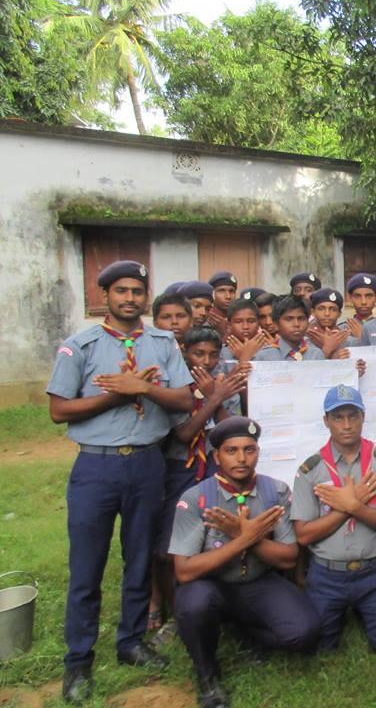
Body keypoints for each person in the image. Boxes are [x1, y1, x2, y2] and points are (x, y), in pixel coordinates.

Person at [47, 260, 194, 703]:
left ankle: (130, 642)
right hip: (97, 467)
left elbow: (183, 400)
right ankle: (78, 660)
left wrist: (144, 389)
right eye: (121, 291)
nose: (130, 298)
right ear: (105, 296)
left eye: (137, 291)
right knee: (87, 566)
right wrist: (117, 394)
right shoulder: (81, 346)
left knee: (139, 557)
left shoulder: (162, 344)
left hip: (147, 464)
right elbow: (59, 410)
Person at [170, 416, 322, 708]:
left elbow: (289, 557)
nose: (241, 458)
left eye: (249, 450)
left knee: (305, 633)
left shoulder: (275, 492)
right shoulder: (197, 498)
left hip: (258, 582)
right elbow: (185, 571)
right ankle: (207, 676)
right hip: (211, 585)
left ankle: (244, 632)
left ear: (257, 453)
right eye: (231, 451)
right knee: (194, 604)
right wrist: (242, 539)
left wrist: (247, 537)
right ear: (217, 457)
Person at [291, 385, 376, 656]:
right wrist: (349, 507)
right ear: (326, 421)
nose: (346, 425)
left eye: (353, 416)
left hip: (374, 572)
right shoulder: (310, 470)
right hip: (326, 575)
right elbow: (304, 535)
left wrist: (353, 504)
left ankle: (366, 610)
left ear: (363, 417)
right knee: (320, 650)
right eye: (338, 417)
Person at [150, 327, 246, 643]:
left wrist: (218, 397)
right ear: (185, 354)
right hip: (181, 469)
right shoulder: (176, 386)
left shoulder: (226, 382)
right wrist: (212, 397)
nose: (206, 361)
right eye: (198, 354)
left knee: (218, 539)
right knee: (170, 546)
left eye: (213, 354)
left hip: (217, 468)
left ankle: (224, 612)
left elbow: (232, 430)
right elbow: (184, 433)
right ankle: (178, 614)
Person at [253, 295, 326, 361]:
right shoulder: (264, 357)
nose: (296, 324)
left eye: (301, 318)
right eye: (289, 319)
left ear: (308, 322)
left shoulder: (316, 355)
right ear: (276, 324)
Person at [221, 298, 270, 365]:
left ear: (259, 323)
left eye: (251, 321)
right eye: (238, 322)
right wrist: (245, 356)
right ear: (229, 325)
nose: (245, 327)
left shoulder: (270, 350)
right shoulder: (220, 352)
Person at [343, 273, 376, 344]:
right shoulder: (342, 329)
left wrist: (363, 337)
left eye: (369, 296)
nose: (363, 302)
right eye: (357, 296)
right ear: (350, 298)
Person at [206, 271, 237, 337]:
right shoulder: (205, 319)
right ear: (212, 294)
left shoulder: (239, 319)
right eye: (222, 291)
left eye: (231, 291)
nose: (228, 296)